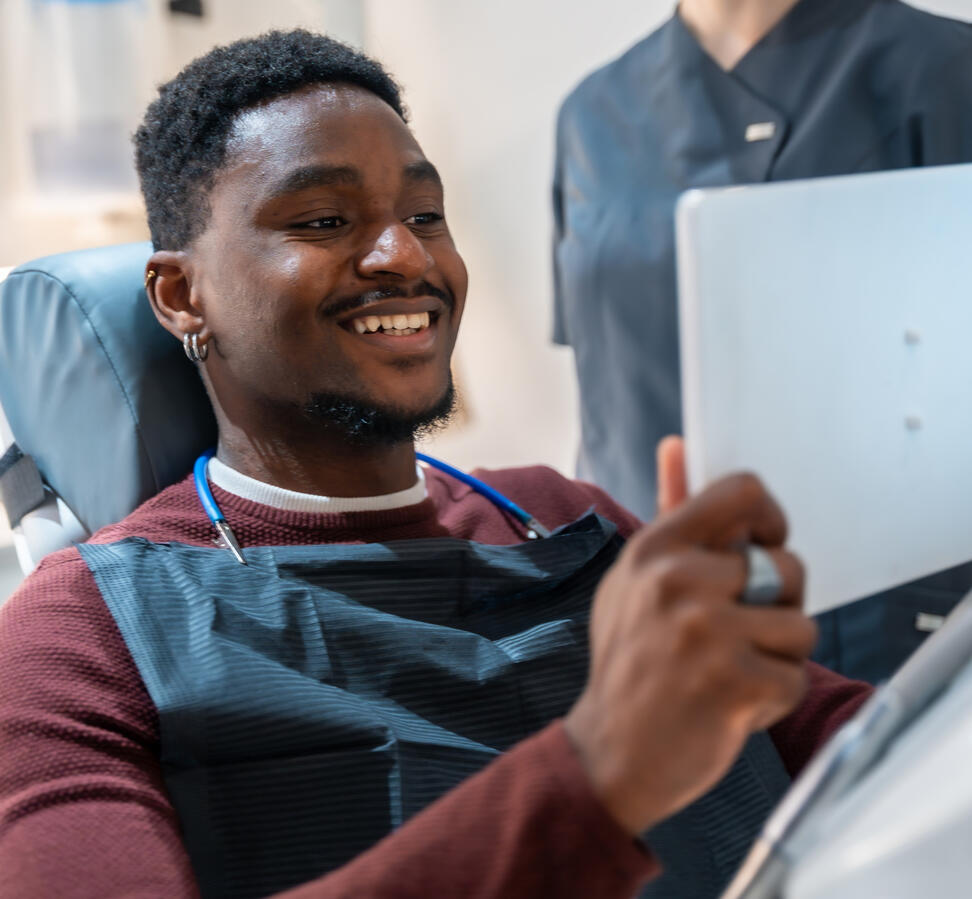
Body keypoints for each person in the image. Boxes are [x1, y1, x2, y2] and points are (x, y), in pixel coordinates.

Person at [0, 31, 869, 899]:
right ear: (181, 295)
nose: (405, 258)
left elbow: (850, 743)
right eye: (324, 222)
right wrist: (601, 775)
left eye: (423, 216)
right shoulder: (79, 634)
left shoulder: (565, 514)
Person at [551, 0, 972, 684]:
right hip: (654, 623)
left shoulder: (943, 68)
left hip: (886, 629)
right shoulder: (591, 116)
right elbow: (608, 398)